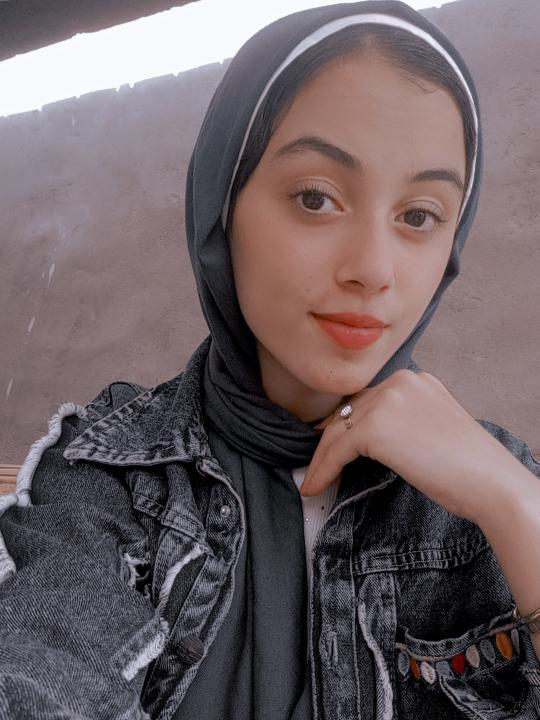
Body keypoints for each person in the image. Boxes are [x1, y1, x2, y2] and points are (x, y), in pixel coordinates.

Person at [0, 1, 539, 718]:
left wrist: (518, 510)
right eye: (316, 198)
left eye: (419, 216)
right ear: (222, 209)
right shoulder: (112, 473)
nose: (373, 269)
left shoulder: (491, 485)